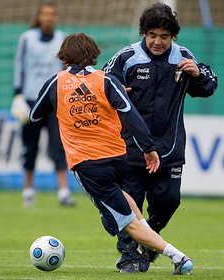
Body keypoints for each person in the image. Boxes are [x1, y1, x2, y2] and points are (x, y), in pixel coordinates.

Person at [29, 32, 194, 275]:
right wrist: (149, 149)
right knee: (131, 211)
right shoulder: (107, 80)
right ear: (93, 55)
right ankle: (137, 246)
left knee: (122, 221)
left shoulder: (56, 82)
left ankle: (177, 258)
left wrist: (70, 110)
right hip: (119, 159)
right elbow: (132, 117)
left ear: (64, 58)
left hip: (89, 165)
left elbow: (34, 115)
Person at [103, 1, 217, 273]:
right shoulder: (126, 57)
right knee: (129, 203)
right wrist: (116, 94)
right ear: (144, 32)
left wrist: (199, 75)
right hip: (130, 148)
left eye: (164, 37)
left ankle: (149, 244)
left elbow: (209, 86)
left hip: (169, 149)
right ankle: (129, 256)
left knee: (169, 201)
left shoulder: (183, 56)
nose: (157, 41)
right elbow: (103, 87)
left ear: (173, 36)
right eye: (152, 35)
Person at [11, 1, 76, 207]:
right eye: (45, 14)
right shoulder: (27, 39)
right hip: (30, 100)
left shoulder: (61, 38)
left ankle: (63, 192)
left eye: (52, 14)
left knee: (59, 146)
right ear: (39, 17)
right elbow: (19, 65)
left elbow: (66, 68)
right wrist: (17, 95)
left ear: (56, 17)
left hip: (54, 100)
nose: (49, 18)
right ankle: (28, 191)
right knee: (30, 147)